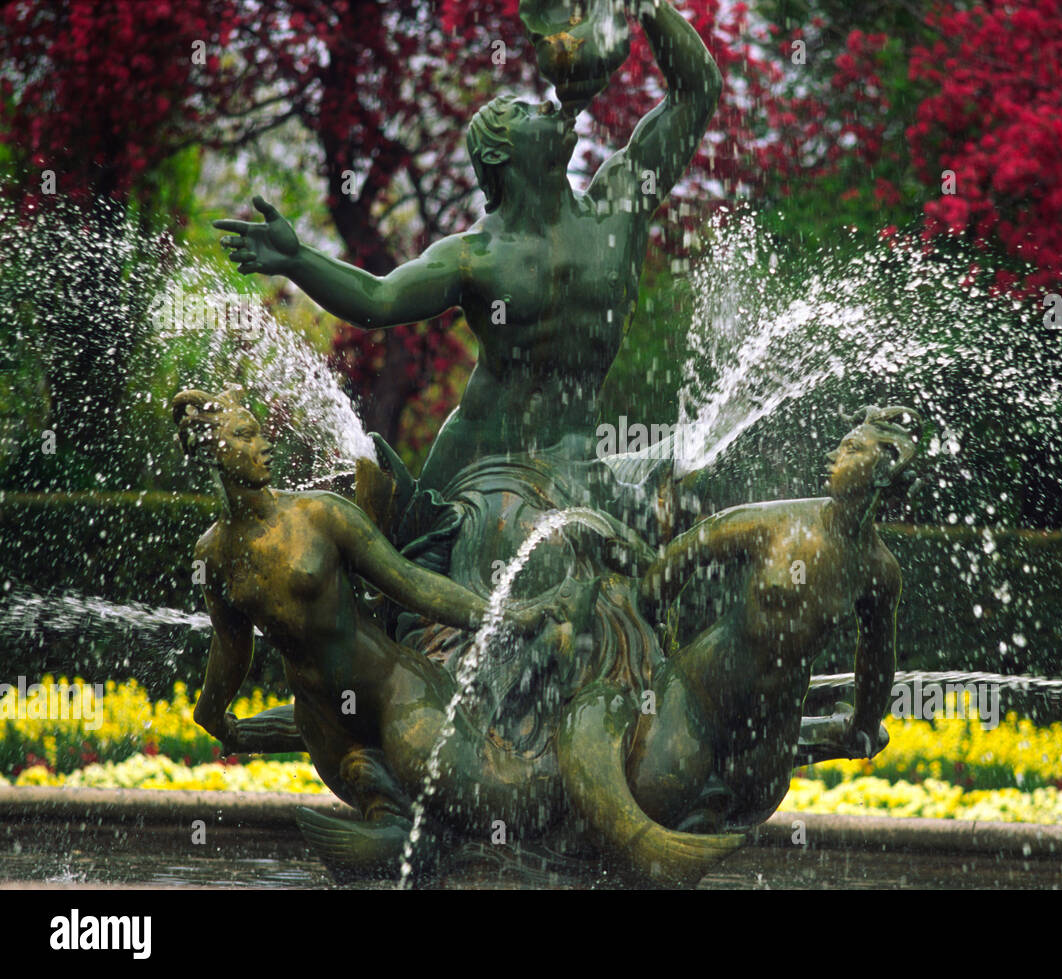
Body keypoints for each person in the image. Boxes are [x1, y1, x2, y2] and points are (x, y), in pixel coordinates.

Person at [213, 1, 722, 494]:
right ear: (501, 152)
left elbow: (697, 92)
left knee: (708, 470)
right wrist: (298, 259)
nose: (546, 102)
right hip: (484, 472)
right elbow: (378, 301)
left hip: (579, 467)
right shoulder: (474, 255)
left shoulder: (619, 204)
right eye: (524, 111)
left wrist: (648, 8)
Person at [175, 387, 557, 869]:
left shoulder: (322, 515)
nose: (265, 445)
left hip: (395, 694)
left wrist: (502, 617)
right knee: (389, 813)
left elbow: (413, 583)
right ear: (214, 451)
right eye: (246, 435)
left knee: (488, 800)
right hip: (324, 724)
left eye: (260, 432)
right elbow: (231, 646)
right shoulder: (213, 556)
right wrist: (211, 710)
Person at [628, 407, 919, 831]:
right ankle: (823, 733)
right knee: (657, 793)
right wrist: (646, 625)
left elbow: (876, 656)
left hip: (772, 723)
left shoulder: (878, 570)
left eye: (851, 449)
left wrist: (866, 724)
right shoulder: (780, 522)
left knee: (744, 808)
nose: (832, 456)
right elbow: (691, 548)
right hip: (700, 694)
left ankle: (828, 733)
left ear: (881, 472)